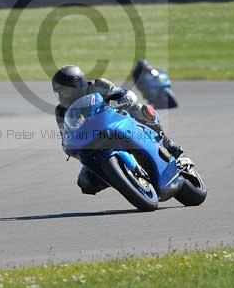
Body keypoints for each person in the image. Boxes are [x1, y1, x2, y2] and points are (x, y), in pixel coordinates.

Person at [51, 65, 184, 195]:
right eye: (59, 92)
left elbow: (121, 93)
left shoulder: (98, 85)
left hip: (117, 122)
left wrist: (122, 97)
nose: (63, 95)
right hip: (94, 143)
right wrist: (68, 143)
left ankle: (167, 142)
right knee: (85, 182)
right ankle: (121, 178)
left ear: (78, 85)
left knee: (140, 110)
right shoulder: (61, 111)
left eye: (65, 91)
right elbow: (66, 134)